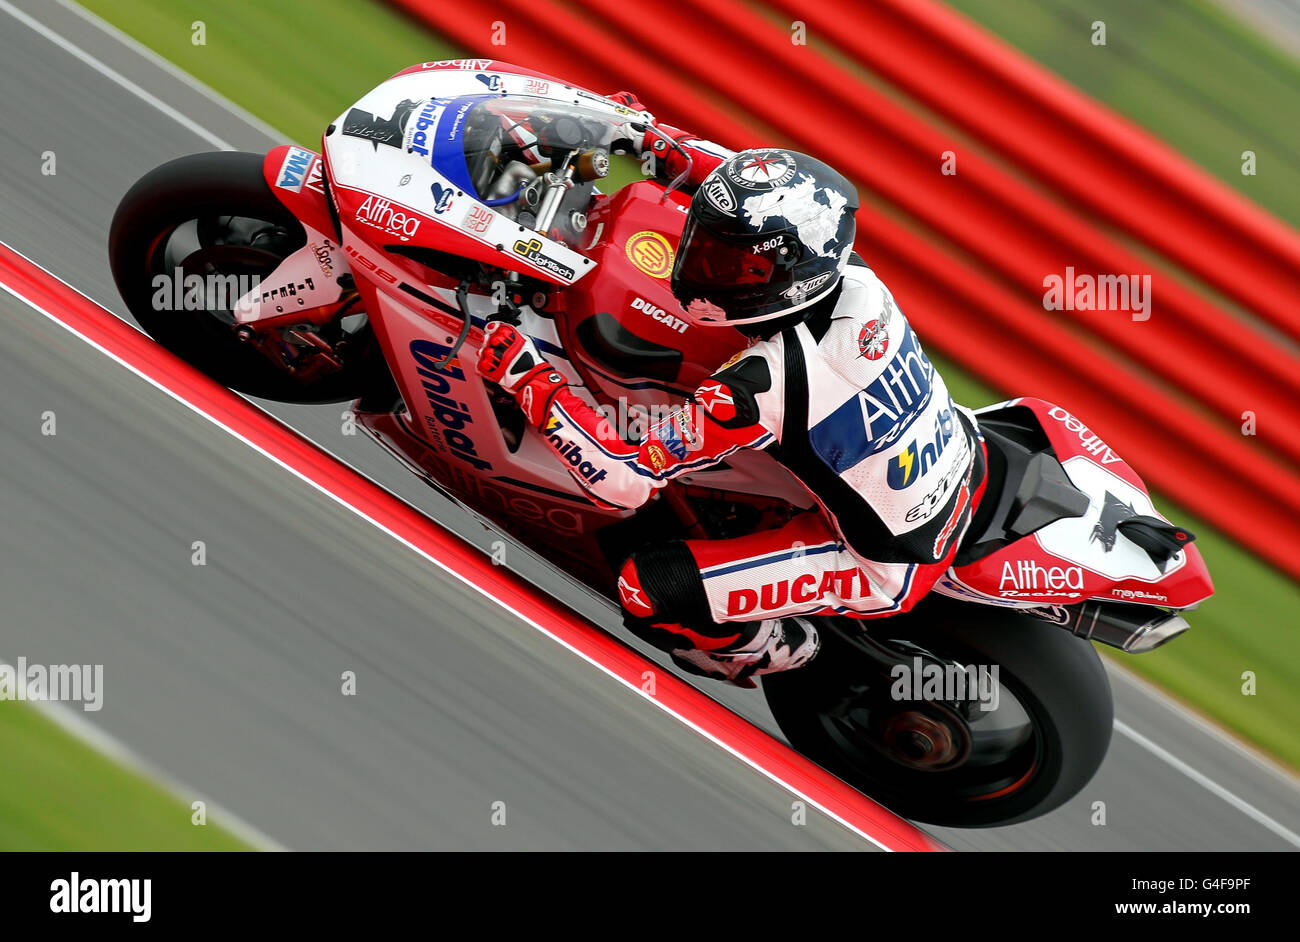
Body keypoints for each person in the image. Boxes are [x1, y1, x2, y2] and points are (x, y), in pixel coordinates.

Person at [476, 102, 987, 687]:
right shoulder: (851, 275)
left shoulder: (762, 385)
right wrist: (660, 143)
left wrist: (528, 377)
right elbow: (744, 195)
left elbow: (622, 477)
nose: (700, 266)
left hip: (883, 559)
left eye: (732, 266)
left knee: (647, 590)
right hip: (951, 455)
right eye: (705, 245)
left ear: (790, 277)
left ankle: (777, 648)